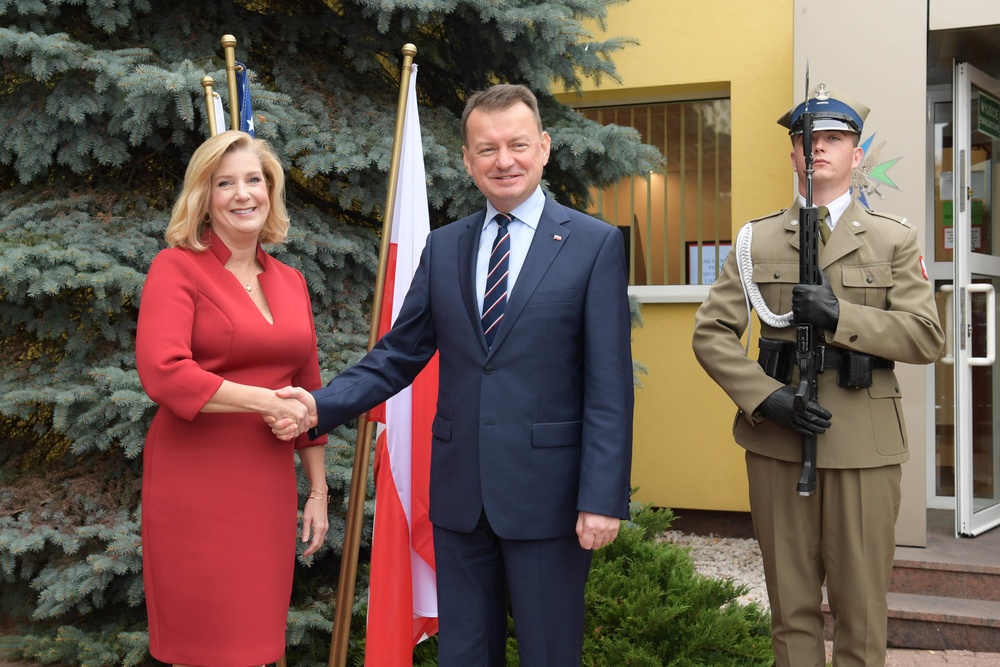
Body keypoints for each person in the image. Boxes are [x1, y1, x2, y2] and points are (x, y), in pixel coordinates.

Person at [275, 83, 634, 666]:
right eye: (486, 149)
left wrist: (602, 497)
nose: (504, 161)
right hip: (461, 497)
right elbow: (399, 353)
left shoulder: (593, 245)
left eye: (517, 144)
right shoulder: (445, 247)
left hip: (550, 498)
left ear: (543, 148)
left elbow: (609, 384)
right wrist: (320, 406)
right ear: (467, 160)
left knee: (550, 653)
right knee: (466, 654)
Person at [692, 84, 945, 667]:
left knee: (860, 612)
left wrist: (841, 316)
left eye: (834, 139)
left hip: (863, 444)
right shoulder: (757, 239)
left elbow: (926, 336)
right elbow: (711, 333)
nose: (818, 150)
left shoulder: (893, 238)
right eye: (807, 141)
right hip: (779, 442)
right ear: (793, 156)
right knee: (791, 609)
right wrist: (767, 399)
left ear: (857, 155)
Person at [136, 130, 329, 667]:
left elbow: (308, 389)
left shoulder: (291, 281)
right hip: (195, 483)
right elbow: (165, 373)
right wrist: (266, 403)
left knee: (256, 643)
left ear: (271, 190)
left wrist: (317, 489)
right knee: (205, 644)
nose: (243, 194)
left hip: (265, 484)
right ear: (205, 195)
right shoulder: (176, 267)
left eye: (254, 180)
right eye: (226, 183)